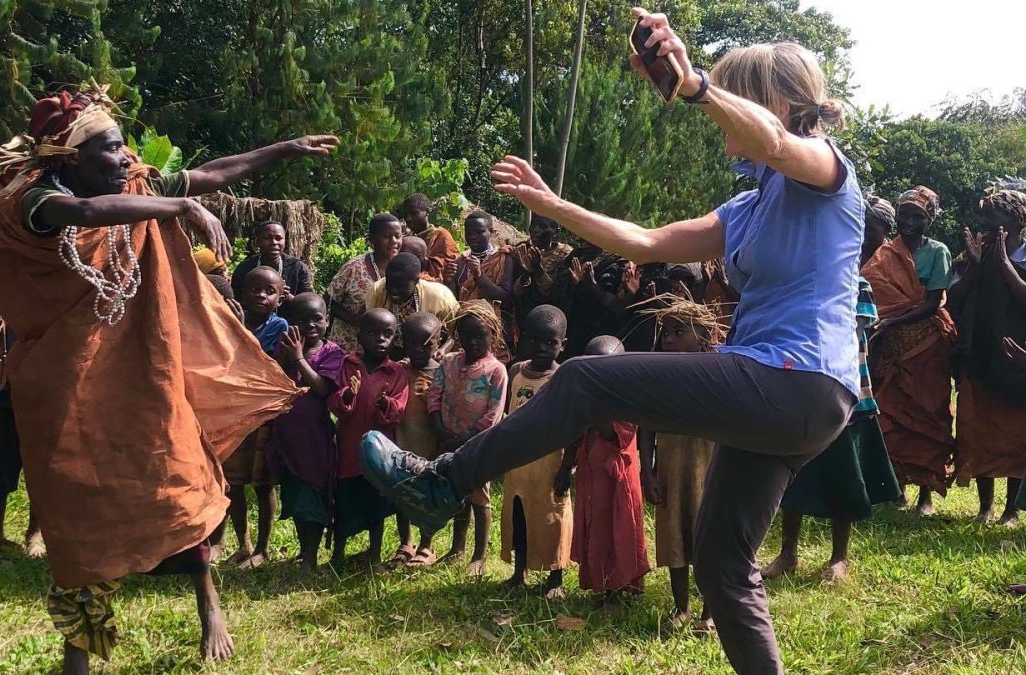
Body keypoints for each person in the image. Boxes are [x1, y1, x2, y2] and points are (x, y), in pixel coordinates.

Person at [362, 15, 862, 673]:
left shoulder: (827, 172)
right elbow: (646, 241)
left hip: (799, 379)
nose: (721, 126)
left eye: (737, 100)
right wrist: (555, 204)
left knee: (587, 378)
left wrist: (697, 86)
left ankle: (442, 484)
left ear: (781, 104)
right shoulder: (748, 207)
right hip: (781, 399)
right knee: (721, 564)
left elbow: (770, 140)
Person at [0, 86, 331, 671]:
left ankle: (208, 599)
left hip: (142, 372)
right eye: (112, 149)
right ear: (70, 158)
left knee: (177, 472)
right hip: (65, 383)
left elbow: (210, 175)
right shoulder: (32, 201)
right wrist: (179, 208)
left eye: (122, 149)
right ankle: (79, 651)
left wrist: (283, 149)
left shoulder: (132, 187)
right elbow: (88, 214)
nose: (125, 159)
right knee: (78, 506)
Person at [761, 276, 900, 581]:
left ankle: (839, 557)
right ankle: (788, 553)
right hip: (802, 391)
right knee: (794, 477)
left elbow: (847, 328)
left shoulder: (857, 284)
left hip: (845, 395)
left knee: (843, 477)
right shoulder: (800, 280)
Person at [861, 185, 955, 516]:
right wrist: (884, 325)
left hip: (926, 346)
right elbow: (871, 294)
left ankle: (926, 497)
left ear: (930, 219)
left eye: (918, 216)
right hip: (891, 348)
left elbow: (931, 304)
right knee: (891, 414)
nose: (909, 222)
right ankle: (896, 488)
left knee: (929, 413)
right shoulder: (885, 254)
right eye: (904, 215)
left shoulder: (938, 252)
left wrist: (891, 321)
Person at [638, 298, 723, 632]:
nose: (669, 339)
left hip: (708, 467)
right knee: (674, 536)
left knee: (709, 539)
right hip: (671, 469)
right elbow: (646, 427)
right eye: (665, 333)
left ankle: (710, 611)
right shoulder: (659, 376)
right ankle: (681, 607)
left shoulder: (716, 373)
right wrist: (647, 471)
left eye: (678, 331)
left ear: (703, 337)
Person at [949, 186, 1026, 525]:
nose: (990, 229)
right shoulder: (972, 256)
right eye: (986, 221)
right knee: (978, 430)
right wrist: (978, 267)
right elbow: (952, 301)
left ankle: (1011, 510)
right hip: (979, 356)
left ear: (1016, 223)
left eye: (997, 222)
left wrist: (1005, 265)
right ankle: (985, 507)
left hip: (1017, 361)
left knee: (1015, 434)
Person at [559, 335, 649, 604]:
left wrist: (593, 400)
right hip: (591, 477)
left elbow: (614, 432)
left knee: (619, 531)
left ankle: (620, 588)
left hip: (617, 484)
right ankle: (600, 584)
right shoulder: (584, 399)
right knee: (594, 529)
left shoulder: (627, 400)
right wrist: (565, 468)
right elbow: (573, 436)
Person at [427, 300, 508, 577]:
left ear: (492, 335)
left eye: (480, 335)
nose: (472, 341)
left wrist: (468, 439)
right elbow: (434, 397)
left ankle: (479, 555)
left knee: (479, 495)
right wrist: (440, 430)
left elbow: (493, 414)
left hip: (478, 445)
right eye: (466, 335)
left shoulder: (496, 371)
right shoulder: (448, 362)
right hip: (447, 440)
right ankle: (457, 548)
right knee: (458, 493)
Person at [268, 293, 346, 574]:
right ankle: (305, 550)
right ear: (291, 323)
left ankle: (311, 557)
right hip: (288, 436)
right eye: (303, 320)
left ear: (327, 321)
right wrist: (286, 356)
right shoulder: (284, 347)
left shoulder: (332, 352)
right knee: (296, 496)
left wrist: (299, 358)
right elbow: (273, 378)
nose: (311, 325)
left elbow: (323, 388)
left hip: (315, 440)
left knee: (313, 494)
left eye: (317, 319)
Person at [220, 266, 290, 567]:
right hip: (233, 412)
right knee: (233, 481)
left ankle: (263, 548)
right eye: (254, 289)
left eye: (269, 291)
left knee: (263, 484)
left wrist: (238, 329)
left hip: (263, 414)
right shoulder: (228, 321)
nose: (261, 295)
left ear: (279, 298)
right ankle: (243, 543)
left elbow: (262, 363)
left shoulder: (280, 326)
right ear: (242, 293)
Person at [327, 309, 408, 568]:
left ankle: (375, 553)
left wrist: (386, 403)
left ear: (394, 338)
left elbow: (398, 410)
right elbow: (336, 402)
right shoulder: (348, 365)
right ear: (360, 336)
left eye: (387, 334)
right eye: (373, 333)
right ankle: (337, 554)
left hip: (379, 452)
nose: (380, 339)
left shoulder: (396, 373)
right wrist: (348, 396)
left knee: (377, 502)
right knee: (345, 501)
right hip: (349, 449)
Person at [500, 305, 571, 597]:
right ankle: (520, 572)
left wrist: (568, 468)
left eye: (550, 342)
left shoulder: (564, 377)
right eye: (535, 340)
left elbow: (572, 426)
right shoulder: (517, 371)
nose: (542, 348)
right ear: (524, 339)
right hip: (518, 462)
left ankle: (555, 578)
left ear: (562, 345)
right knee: (518, 514)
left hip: (550, 461)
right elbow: (509, 411)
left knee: (552, 517)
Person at [0, 293, 42, 559]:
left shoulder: (48, 297)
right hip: (4, 401)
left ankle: (35, 533)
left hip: (40, 402)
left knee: (39, 473)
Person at [395, 312, 444, 567]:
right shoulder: (399, 370)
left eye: (427, 344)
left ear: (438, 343)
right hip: (403, 442)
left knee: (427, 496)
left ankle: (426, 545)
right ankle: (405, 541)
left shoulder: (443, 374)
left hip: (431, 447)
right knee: (401, 492)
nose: (419, 349)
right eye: (412, 343)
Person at [327, 213, 403, 352]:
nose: (393, 241)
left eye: (397, 236)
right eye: (386, 236)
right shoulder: (354, 267)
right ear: (372, 239)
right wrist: (353, 320)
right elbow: (329, 301)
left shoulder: (403, 269)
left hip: (384, 350)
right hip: (348, 346)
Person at [447, 211, 516, 359]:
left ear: (491, 232)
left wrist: (479, 276)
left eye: (479, 232)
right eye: (469, 232)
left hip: (494, 334)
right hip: (465, 336)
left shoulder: (503, 258)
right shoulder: (461, 262)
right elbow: (456, 301)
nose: (472, 237)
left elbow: (505, 296)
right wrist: (448, 280)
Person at [366, 252, 459, 358]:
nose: (394, 291)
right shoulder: (378, 291)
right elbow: (370, 327)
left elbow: (455, 332)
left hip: (429, 357)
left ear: (416, 281)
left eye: (401, 286)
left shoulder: (440, 297)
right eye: (389, 284)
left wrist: (443, 350)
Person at [551, 240, 629, 359]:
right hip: (571, 325)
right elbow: (557, 288)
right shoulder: (575, 255)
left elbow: (616, 303)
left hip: (597, 332)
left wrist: (591, 285)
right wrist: (574, 285)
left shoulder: (616, 261)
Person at [230, 220, 313, 305]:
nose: (273, 242)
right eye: (267, 238)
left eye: (278, 238)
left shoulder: (297, 267)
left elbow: (308, 306)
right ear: (257, 242)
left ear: (285, 241)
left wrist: (287, 296)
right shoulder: (245, 267)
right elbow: (234, 301)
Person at [513, 214, 574, 326]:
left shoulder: (565, 255)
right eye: (533, 225)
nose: (535, 230)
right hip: (521, 315)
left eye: (542, 226)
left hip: (549, 319)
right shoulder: (521, 250)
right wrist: (525, 274)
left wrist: (538, 269)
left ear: (556, 232)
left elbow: (554, 294)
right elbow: (514, 293)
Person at [402, 193, 459, 281]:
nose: (409, 218)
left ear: (427, 211)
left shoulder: (441, 236)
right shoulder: (406, 239)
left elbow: (452, 265)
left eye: (414, 213)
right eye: (406, 215)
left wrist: (427, 264)